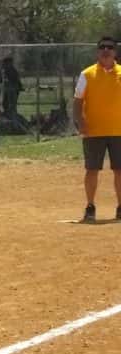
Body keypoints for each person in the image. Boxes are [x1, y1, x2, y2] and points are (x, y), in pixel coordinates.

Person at [73, 37, 121, 223]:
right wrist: (80, 122)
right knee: (92, 170)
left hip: (118, 131)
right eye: (102, 47)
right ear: (97, 51)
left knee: (119, 170)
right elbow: (78, 101)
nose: (106, 50)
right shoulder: (87, 74)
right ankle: (90, 206)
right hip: (93, 131)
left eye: (110, 48)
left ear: (115, 52)